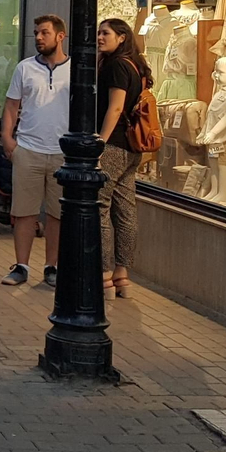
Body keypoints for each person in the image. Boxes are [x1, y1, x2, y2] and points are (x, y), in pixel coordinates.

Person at [0, 15, 71, 287]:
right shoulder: (25, 68)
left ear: (60, 36)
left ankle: (51, 267)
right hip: (28, 148)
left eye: (44, 33)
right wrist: (8, 139)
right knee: (25, 212)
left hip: (62, 152)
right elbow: (11, 105)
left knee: (56, 213)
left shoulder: (74, 69)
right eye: (36, 33)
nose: (39, 38)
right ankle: (21, 265)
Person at [96, 17, 149, 299]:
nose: (99, 37)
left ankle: (104, 276)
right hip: (132, 148)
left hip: (114, 145)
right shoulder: (135, 65)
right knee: (126, 210)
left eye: (105, 33)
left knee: (100, 207)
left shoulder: (117, 66)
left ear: (122, 37)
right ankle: (122, 276)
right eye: (99, 33)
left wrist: (100, 143)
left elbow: (115, 108)